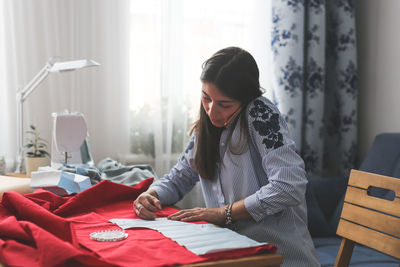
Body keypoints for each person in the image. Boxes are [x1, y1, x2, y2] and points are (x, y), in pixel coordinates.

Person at [133, 47, 320, 267]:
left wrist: (224, 213)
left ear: (245, 99)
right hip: (232, 253)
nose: (211, 111)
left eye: (224, 104)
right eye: (206, 98)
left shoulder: (259, 112)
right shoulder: (208, 127)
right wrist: (151, 194)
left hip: (281, 257)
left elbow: (289, 186)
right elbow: (179, 178)